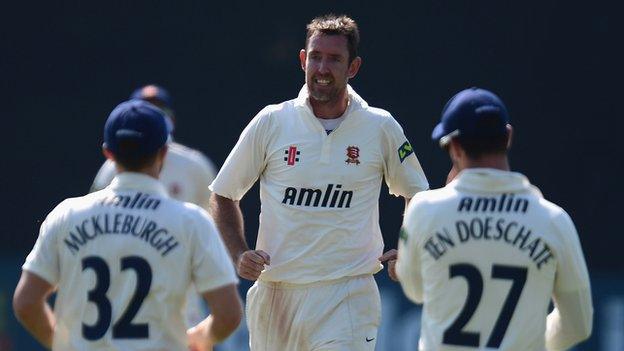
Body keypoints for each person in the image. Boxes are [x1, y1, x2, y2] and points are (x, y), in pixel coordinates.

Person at [209, 14, 429, 351]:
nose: (322, 68)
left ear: (352, 67)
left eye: (334, 59)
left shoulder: (379, 126)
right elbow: (223, 194)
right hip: (276, 295)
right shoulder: (272, 122)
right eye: (316, 57)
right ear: (303, 59)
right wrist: (239, 253)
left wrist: (410, 250)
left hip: (348, 294)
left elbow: (417, 192)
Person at [13, 100, 242, 351]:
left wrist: (62, 344)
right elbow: (228, 314)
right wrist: (200, 338)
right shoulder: (191, 221)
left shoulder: (66, 215)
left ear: (108, 154)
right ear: (164, 153)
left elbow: (27, 302)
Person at [396, 87, 593, 350]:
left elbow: (416, 290)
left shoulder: (425, 210)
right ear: (508, 137)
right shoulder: (553, 220)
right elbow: (577, 325)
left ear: (454, 147)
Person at [91, 84, 218, 326]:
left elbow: (213, 228)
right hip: (120, 297)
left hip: (182, 298)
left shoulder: (195, 166)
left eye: (158, 111)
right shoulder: (106, 176)